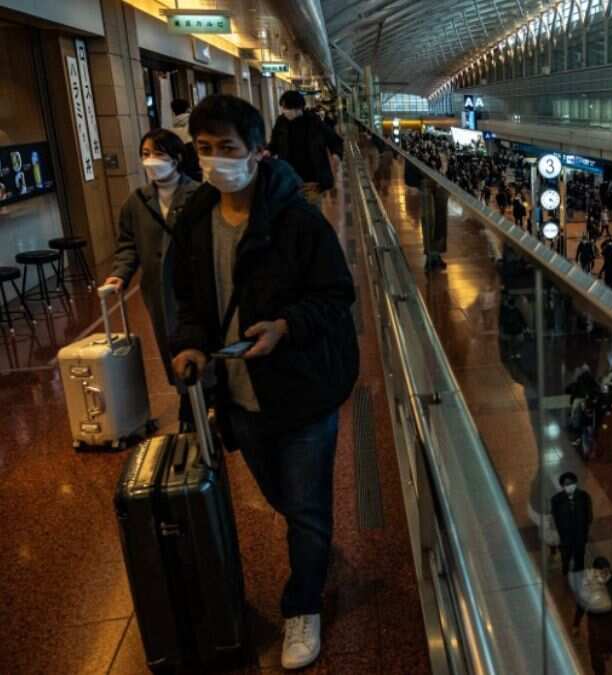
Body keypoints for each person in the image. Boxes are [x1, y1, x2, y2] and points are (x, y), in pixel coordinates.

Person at [170, 95, 358, 670]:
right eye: (203, 150)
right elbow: (190, 302)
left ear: (257, 151)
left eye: (227, 149)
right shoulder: (195, 221)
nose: (214, 161)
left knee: (302, 506)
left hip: (300, 390)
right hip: (241, 396)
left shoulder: (297, 220)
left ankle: (302, 605)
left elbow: (336, 296)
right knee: (282, 497)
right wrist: (189, 345)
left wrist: (284, 326)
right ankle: (314, 539)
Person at [105, 129, 200, 393]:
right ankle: (185, 397)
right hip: (158, 290)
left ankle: (208, 395)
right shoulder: (136, 202)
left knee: (201, 340)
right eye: (145, 154)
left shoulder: (200, 195)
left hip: (195, 285)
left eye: (159, 154)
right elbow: (128, 245)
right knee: (169, 339)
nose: (151, 161)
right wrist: (120, 273)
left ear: (177, 158)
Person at [268, 90, 343, 206]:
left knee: (310, 214)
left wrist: (336, 154)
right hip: (288, 180)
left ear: (299, 107)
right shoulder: (281, 122)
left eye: (287, 107)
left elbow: (335, 140)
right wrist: (267, 151)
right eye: (283, 107)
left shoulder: (314, 122)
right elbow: (274, 144)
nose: (285, 111)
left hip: (311, 182)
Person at [572, 557, 612, 675]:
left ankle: (607, 651)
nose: (605, 574)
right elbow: (581, 606)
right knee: (595, 649)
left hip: (610, 619)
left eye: (607, 571)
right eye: (602, 571)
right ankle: (599, 671)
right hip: (595, 621)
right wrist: (576, 624)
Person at [551, 472, 593, 576]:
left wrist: (583, 529)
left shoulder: (584, 496)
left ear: (576, 483)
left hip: (580, 534)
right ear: (562, 486)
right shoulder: (556, 500)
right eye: (566, 484)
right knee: (566, 557)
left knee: (579, 557)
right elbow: (555, 518)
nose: (569, 486)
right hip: (565, 536)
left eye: (571, 483)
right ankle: (565, 572)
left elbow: (589, 515)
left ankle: (578, 574)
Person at [169, 98, 202, 181]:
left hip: (182, 167)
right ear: (188, 108)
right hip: (196, 164)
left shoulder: (171, 129)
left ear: (173, 111)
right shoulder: (195, 122)